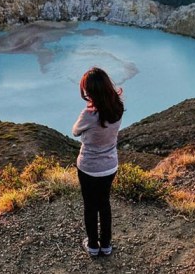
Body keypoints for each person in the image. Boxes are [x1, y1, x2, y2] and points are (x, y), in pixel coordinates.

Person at [72, 67, 124, 257]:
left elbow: (75, 131)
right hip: (110, 166)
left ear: (91, 92)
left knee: (90, 206)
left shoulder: (88, 114)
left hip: (88, 167)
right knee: (104, 204)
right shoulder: (117, 108)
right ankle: (107, 245)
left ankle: (93, 245)